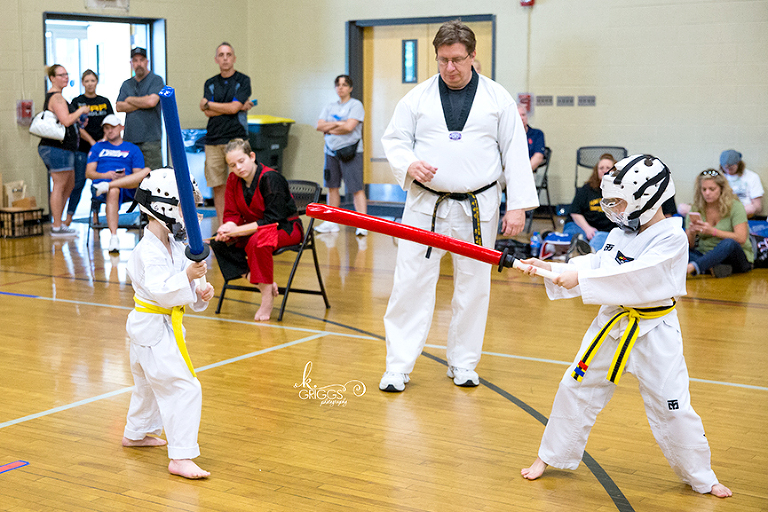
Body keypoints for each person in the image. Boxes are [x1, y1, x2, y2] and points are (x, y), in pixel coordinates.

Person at [517, 154, 732, 499]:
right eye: (609, 201)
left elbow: (635, 276)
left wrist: (581, 277)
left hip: (654, 332)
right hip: (611, 324)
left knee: (673, 406)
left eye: (618, 202)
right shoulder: (620, 232)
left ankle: (701, 476)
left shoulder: (671, 239)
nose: (612, 209)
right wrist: (549, 266)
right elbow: (600, 261)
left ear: (647, 200)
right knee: (574, 386)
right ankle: (551, 455)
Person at [378, 20, 538, 392]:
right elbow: (395, 139)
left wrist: (518, 207)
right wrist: (408, 164)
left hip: (479, 205)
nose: (450, 68)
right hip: (424, 203)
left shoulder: (498, 99)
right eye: (443, 60)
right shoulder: (416, 98)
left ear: (473, 55)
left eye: (457, 60)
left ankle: (463, 363)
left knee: (474, 285)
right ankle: (398, 366)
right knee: (410, 284)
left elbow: (515, 153)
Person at [122, 168, 214, 480]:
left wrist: (201, 291)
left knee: (148, 385)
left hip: (154, 327)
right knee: (184, 387)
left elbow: (184, 285)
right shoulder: (147, 250)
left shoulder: (173, 245)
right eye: (184, 206)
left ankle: (136, 433)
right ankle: (181, 456)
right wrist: (188, 279)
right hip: (152, 326)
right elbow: (163, 291)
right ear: (163, 208)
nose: (190, 213)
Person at [210, 139, 303, 321]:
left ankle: (266, 298)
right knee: (219, 242)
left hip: (286, 228)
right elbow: (231, 213)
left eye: (241, 161)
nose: (238, 168)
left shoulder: (271, 178)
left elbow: (273, 219)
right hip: (255, 229)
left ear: (252, 157)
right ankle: (262, 284)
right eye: (232, 165)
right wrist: (227, 227)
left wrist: (237, 231)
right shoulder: (233, 180)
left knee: (258, 242)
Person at [200, 42, 254, 226]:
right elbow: (208, 112)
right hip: (213, 139)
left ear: (234, 58)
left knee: (239, 184)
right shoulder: (210, 83)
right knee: (218, 186)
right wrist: (231, 107)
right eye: (221, 55)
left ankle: (239, 224)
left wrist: (211, 104)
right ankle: (225, 226)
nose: (225, 58)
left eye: (228, 54)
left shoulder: (243, 80)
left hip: (236, 138)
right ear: (216, 59)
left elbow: (233, 108)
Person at [37, 64, 90, 237]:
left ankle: (59, 222)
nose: (65, 77)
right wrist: (81, 110)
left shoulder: (60, 97)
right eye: (61, 75)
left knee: (70, 183)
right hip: (56, 148)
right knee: (59, 185)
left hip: (64, 148)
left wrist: (79, 121)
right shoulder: (57, 98)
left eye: (66, 74)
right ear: (52, 78)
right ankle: (57, 226)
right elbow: (66, 120)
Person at [86, 114, 151, 252]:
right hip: (101, 188)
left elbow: (138, 176)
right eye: (106, 128)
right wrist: (107, 175)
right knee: (113, 190)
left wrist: (123, 177)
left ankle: (110, 185)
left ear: (121, 127)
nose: (110, 131)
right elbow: (89, 173)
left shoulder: (132, 149)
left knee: (147, 171)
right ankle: (114, 238)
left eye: (113, 127)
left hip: (128, 186)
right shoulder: (98, 147)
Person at [314, 74, 368, 236]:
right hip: (331, 151)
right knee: (332, 186)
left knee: (356, 188)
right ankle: (331, 222)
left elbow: (349, 127)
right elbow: (319, 126)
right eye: (338, 85)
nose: (341, 87)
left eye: (344, 85)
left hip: (351, 152)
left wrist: (329, 128)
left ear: (350, 88)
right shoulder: (330, 106)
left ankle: (362, 223)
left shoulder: (355, 105)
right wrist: (338, 124)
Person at [66, 70, 115, 227]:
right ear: (82, 82)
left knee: (98, 182)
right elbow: (75, 126)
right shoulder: (77, 102)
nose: (89, 83)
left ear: (97, 82)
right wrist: (92, 141)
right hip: (82, 149)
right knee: (78, 183)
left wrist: (104, 140)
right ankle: (68, 217)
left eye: (92, 80)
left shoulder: (104, 101)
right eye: (86, 81)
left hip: (101, 149)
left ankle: (96, 216)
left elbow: (110, 123)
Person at [686, 169, 752, 278]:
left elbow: (741, 238)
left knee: (729, 243)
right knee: (679, 249)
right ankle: (711, 267)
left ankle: (694, 267)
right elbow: (689, 245)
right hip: (705, 254)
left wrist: (713, 231)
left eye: (712, 189)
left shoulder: (736, 206)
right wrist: (692, 233)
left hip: (734, 257)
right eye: (704, 189)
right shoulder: (696, 208)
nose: (707, 193)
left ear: (721, 189)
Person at [116, 47, 165, 169]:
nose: (139, 64)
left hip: (151, 140)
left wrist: (130, 99)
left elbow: (151, 102)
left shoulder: (156, 80)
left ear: (147, 62)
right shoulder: (127, 84)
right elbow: (119, 106)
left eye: (141, 60)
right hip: (130, 139)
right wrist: (142, 102)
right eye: (135, 60)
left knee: (154, 177)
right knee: (130, 177)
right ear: (131, 63)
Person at [563, 153, 617, 253]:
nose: (605, 170)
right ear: (597, 171)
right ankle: (573, 250)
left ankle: (586, 254)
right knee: (572, 234)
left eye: (608, 168)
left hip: (603, 232)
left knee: (602, 237)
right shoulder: (587, 189)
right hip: (582, 225)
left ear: (614, 171)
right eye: (601, 168)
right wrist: (587, 229)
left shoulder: (620, 192)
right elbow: (575, 212)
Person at [720, 149, 763, 218]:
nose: (728, 171)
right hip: (724, 213)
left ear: (738, 164)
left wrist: (743, 211)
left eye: (731, 168)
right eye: (725, 168)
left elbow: (758, 206)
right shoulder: (719, 177)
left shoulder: (752, 177)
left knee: (750, 208)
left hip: (746, 213)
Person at [518, 104, 546, 172]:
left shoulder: (537, 134)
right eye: (518, 116)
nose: (521, 118)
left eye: (523, 115)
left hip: (529, 172)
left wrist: (524, 172)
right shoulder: (507, 135)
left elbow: (538, 157)